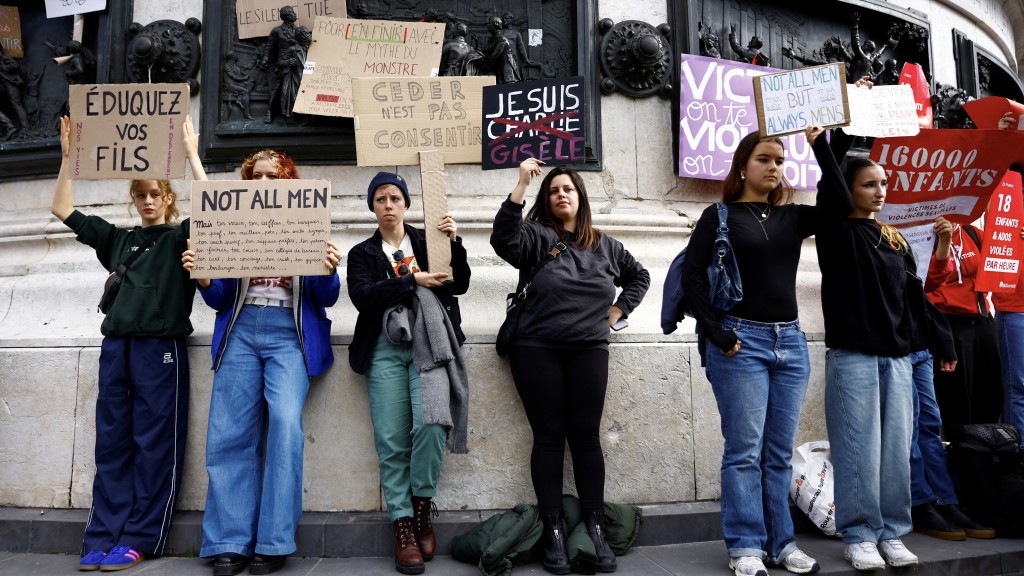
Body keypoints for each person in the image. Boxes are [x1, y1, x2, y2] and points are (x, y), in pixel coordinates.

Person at [52, 116, 204, 572]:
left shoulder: (180, 237)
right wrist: (66, 158)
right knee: (113, 442)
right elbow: (62, 209)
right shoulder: (119, 240)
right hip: (117, 348)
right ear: (134, 199)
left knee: (154, 442)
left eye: (156, 194)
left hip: (161, 349)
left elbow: (223, 209)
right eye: (141, 195)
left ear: (168, 198)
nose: (148, 202)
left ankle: (140, 537)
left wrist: (193, 153)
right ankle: (102, 536)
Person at [181, 149, 341, 576]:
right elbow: (218, 299)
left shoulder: (308, 222)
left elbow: (325, 299)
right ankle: (230, 541)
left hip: (289, 336)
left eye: (273, 176)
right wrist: (203, 277)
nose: (264, 184)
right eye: (256, 177)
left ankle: (273, 541)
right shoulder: (234, 223)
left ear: (289, 181)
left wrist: (327, 270)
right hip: (242, 330)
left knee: (286, 426)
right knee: (229, 432)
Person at [490, 158, 650, 575]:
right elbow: (503, 240)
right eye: (555, 190)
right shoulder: (536, 236)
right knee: (548, 436)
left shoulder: (607, 245)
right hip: (536, 349)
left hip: (588, 350)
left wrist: (617, 311)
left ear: (581, 198)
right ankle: (554, 528)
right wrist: (522, 185)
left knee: (585, 437)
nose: (562, 194)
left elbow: (640, 276)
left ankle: (596, 526)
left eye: (569, 189)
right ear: (547, 199)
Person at [681, 128, 822, 576]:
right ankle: (745, 545)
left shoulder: (793, 217)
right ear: (743, 165)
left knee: (778, 453)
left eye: (780, 160)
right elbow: (693, 279)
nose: (774, 167)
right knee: (744, 450)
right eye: (764, 159)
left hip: (791, 343)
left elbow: (839, 205)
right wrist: (716, 331)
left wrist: (822, 145)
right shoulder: (719, 215)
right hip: (741, 343)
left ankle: (782, 543)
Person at [347, 172, 471, 575]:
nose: (388, 204)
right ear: (372, 206)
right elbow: (364, 297)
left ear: (406, 204)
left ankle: (421, 507)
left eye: (395, 197)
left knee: (433, 424)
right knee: (391, 439)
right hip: (384, 348)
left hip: (429, 342)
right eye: (380, 198)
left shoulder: (426, 240)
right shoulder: (363, 253)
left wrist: (455, 245)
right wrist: (411, 280)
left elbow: (460, 285)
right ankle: (402, 524)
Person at [810, 123, 922, 570]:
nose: (879, 192)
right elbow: (832, 192)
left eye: (883, 184)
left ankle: (893, 533)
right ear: (850, 189)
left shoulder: (893, 237)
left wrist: (934, 347)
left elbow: (913, 299)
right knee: (858, 448)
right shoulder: (836, 232)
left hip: (897, 358)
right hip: (854, 354)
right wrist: (826, 142)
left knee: (895, 451)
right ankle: (859, 535)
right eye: (869, 184)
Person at [925, 215, 1003, 426]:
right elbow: (929, 281)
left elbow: (1000, 253)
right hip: (947, 322)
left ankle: (987, 445)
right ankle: (960, 449)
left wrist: (1017, 239)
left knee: (991, 389)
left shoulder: (971, 232)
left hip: (982, 318)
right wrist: (944, 240)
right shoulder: (924, 235)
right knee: (956, 394)